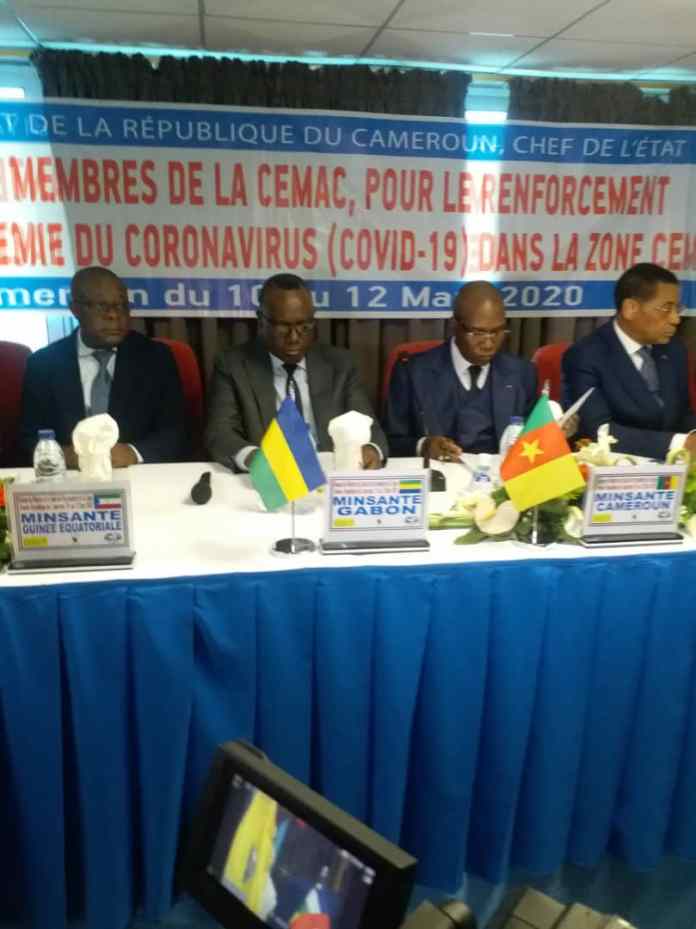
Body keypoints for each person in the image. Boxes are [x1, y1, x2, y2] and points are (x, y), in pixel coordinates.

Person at [206, 273, 387, 470]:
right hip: (269, 477)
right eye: (283, 327)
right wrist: (253, 458)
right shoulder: (233, 365)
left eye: (304, 326)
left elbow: (370, 427)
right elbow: (220, 433)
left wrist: (371, 449)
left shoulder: (341, 365)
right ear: (261, 320)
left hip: (330, 472)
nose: (294, 338)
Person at [19, 266, 187, 467]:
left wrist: (134, 453)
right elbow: (29, 438)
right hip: (71, 476)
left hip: (136, 473)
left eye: (122, 306)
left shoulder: (156, 358)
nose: (114, 315)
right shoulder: (43, 364)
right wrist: (64, 456)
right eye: (101, 306)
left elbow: (176, 431)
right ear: (75, 309)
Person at [384, 281, 537, 460]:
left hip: (499, 472)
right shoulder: (412, 372)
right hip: (441, 471)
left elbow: (534, 438)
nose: (488, 343)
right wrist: (424, 446)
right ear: (454, 326)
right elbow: (390, 441)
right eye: (477, 333)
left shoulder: (522, 373)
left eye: (497, 332)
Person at [562, 262, 696, 459]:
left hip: (674, 464)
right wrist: (679, 443)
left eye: (677, 308)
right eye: (666, 309)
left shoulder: (674, 350)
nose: (675, 319)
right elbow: (597, 431)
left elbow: (682, 414)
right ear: (630, 308)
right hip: (616, 466)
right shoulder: (585, 356)